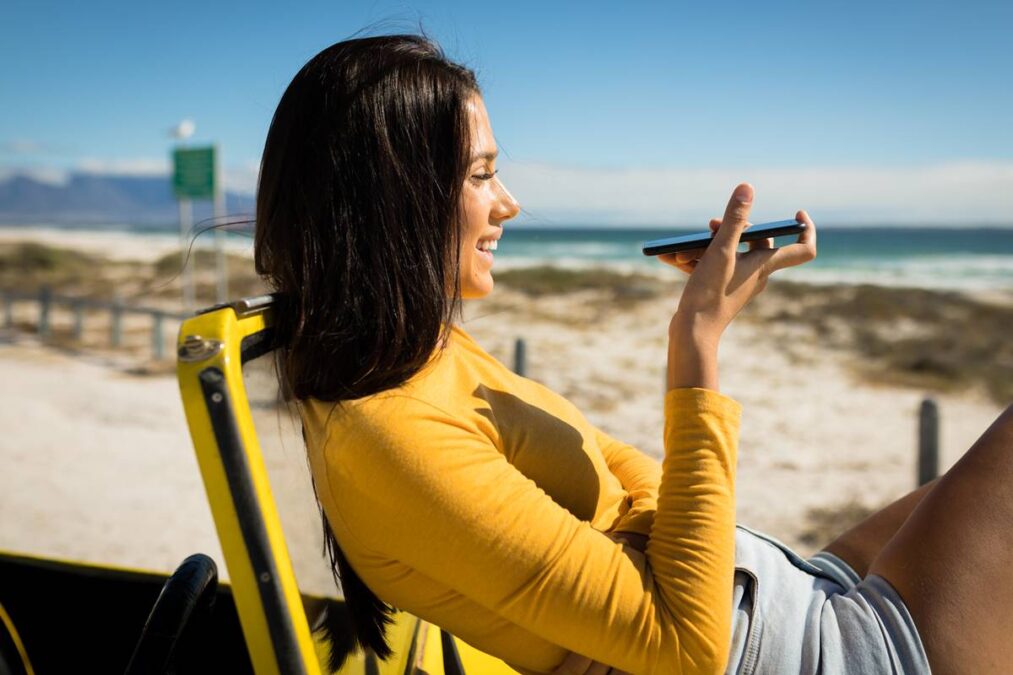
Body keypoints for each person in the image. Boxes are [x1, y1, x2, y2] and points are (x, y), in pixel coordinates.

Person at [254, 34, 1013, 675]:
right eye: (481, 174)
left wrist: (654, 533)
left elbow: (618, 469)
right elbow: (685, 646)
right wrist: (696, 345)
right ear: (392, 201)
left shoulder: (421, 355)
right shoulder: (393, 438)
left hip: (770, 586)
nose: (509, 201)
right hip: (780, 650)